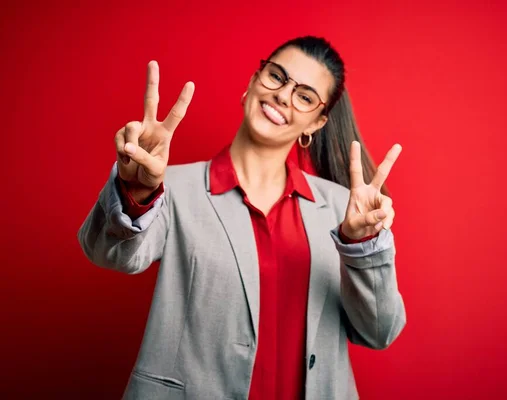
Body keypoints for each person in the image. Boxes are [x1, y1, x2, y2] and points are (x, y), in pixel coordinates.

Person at [78, 36, 406, 400]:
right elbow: (107, 252)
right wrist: (136, 191)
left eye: (305, 96)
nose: (283, 95)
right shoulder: (171, 188)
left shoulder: (344, 210)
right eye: (277, 77)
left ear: (317, 122)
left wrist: (361, 245)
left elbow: (379, 331)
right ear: (252, 82)